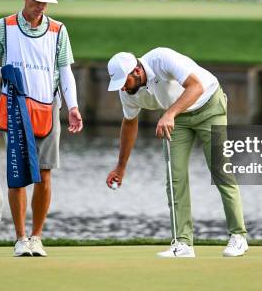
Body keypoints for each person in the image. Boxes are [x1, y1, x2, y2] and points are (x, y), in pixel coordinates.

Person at [105, 48, 248, 258]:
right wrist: (121, 166)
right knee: (175, 177)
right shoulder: (127, 92)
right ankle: (183, 244)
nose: (123, 88)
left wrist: (169, 113)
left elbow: (196, 87)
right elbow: (129, 124)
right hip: (177, 117)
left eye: (124, 81)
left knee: (220, 171)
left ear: (136, 70)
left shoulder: (162, 59)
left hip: (209, 105)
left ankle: (239, 237)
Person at [0, 0, 83, 257]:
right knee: (18, 175)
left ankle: (37, 237)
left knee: (45, 175)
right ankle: (20, 238)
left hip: (49, 108)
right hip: (15, 107)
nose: (41, 7)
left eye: (46, 2)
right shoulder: (4, 26)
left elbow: (65, 72)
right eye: (37, 1)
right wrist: (3, 71)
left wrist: (72, 106)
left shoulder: (59, 30)